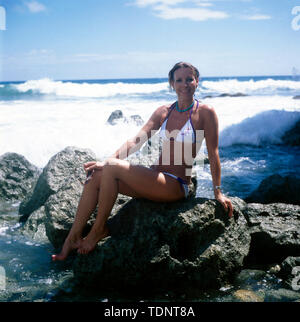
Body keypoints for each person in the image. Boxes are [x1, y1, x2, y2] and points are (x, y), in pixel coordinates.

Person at [52, 62, 233, 261]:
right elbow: (136, 141)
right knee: (96, 175)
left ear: (197, 82)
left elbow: (213, 153)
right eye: (179, 80)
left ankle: (98, 231)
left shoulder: (206, 113)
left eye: (189, 79)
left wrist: (218, 192)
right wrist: (108, 161)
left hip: (176, 185)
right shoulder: (163, 112)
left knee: (110, 167)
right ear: (172, 84)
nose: (185, 84)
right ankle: (72, 238)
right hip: (155, 178)